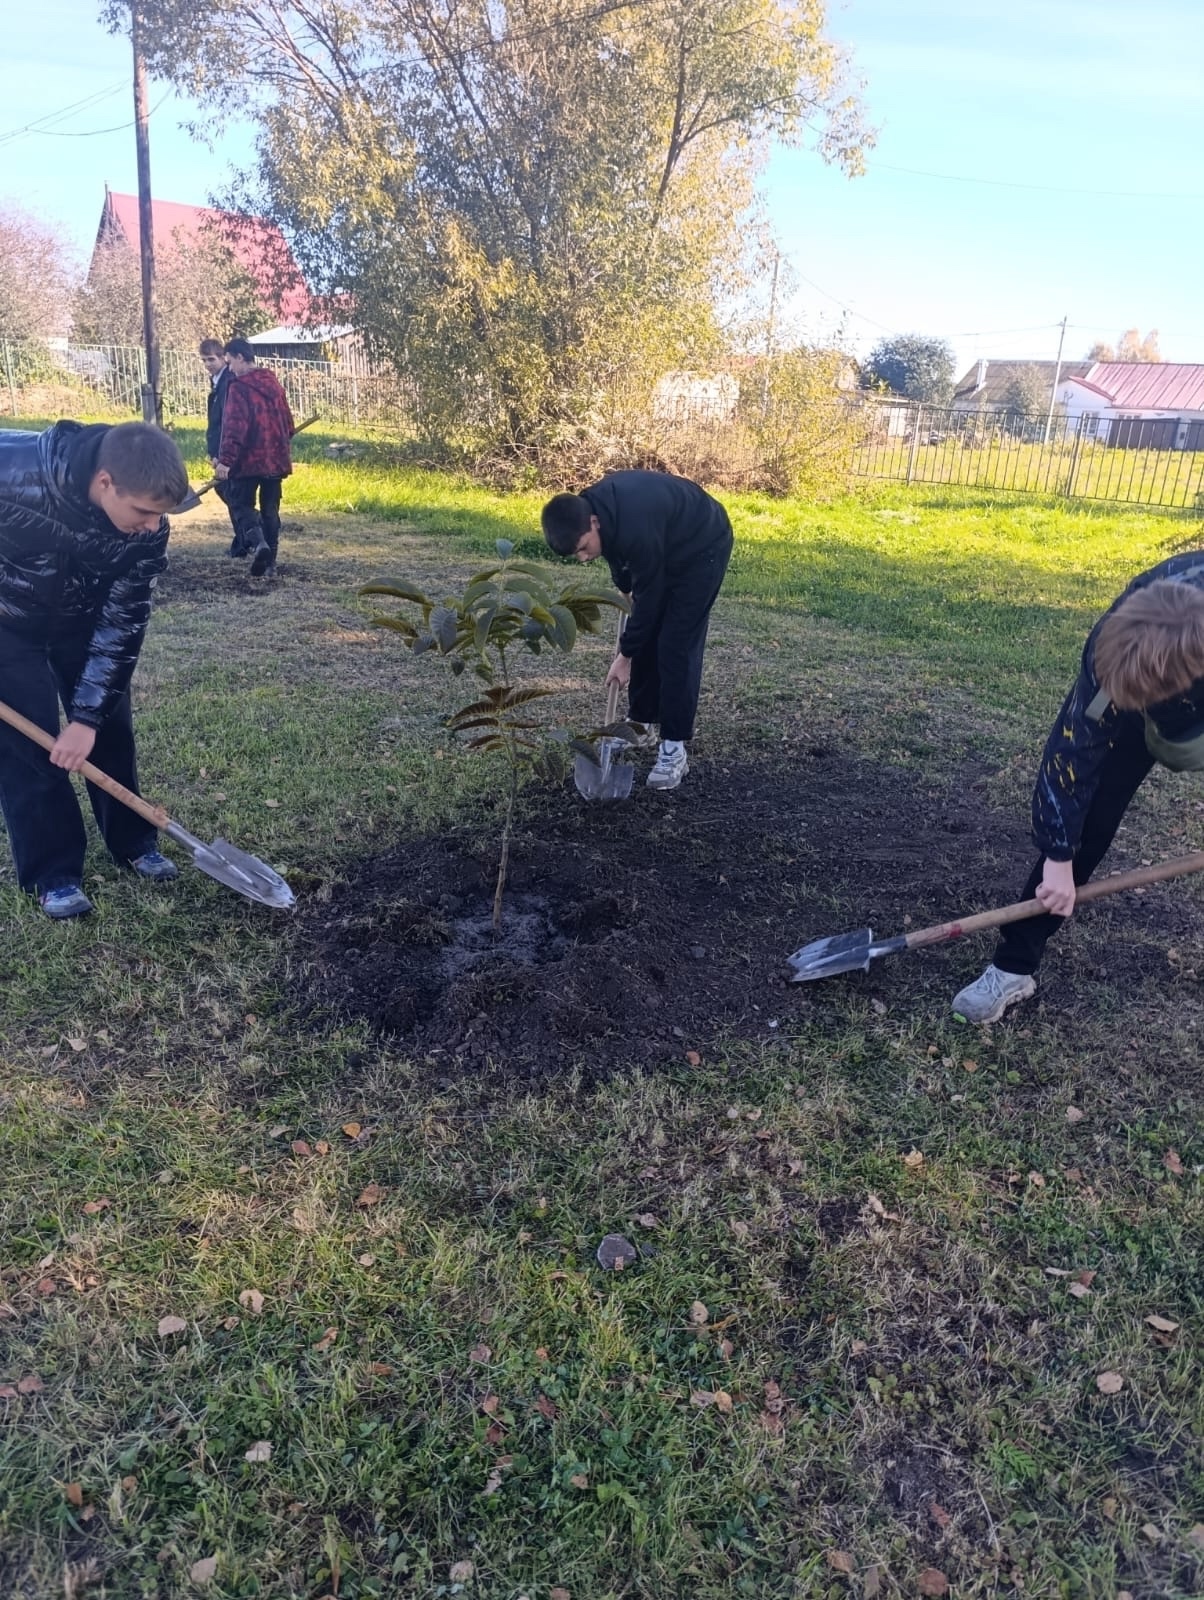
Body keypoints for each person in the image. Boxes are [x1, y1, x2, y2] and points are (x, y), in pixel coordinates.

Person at [952, 552, 1204, 1023]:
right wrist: (1058, 858)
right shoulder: (1119, 644)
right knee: (1089, 815)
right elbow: (1072, 755)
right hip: (1140, 685)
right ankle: (1013, 968)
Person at [0, 420, 189, 918]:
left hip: (84, 623)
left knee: (109, 730)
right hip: (8, 625)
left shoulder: (149, 532)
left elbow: (123, 622)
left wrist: (85, 720)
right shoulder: (13, 473)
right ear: (105, 482)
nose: (153, 525)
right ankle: (54, 874)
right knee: (29, 746)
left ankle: (134, 842)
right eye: (144, 511)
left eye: (160, 515)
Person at [541, 470, 734, 791]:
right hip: (663, 541)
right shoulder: (593, 507)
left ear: (592, 524)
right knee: (644, 632)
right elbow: (618, 556)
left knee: (675, 643)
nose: (584, 558)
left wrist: (625, 655)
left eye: (583, 548)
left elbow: (652, 596)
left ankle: (674, 747)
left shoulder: (633, 524)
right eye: (576, 554)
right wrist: (626, 586)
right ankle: (639, 725)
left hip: (703, 545)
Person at [215, 337, 296, 578]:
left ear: (240, 357)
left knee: (240, 504)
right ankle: (271, 564)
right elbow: (289, 426)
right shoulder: (274, 384)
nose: (230, 369)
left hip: (248, 462)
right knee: (270, 510)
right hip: (275, 460)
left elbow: (234, 427)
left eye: (230, 363)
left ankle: (259, 545)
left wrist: (225, 460)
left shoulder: (239, 388)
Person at [199, 337, 244, 556]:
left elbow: (227, 422)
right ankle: (245, 538)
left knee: (231, 492)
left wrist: (222, 455)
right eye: (204, 360)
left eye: (211, 359)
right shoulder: (217, 382)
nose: (207, 364)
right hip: (219, 448)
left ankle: (245, 540)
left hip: (228, 450)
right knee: (227, 491)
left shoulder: (227, 383)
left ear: (223, 359)